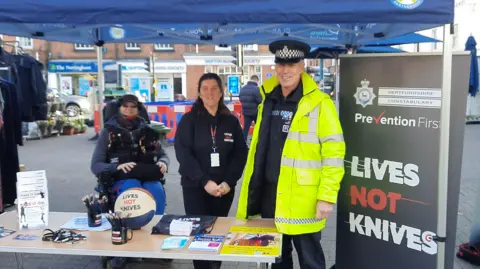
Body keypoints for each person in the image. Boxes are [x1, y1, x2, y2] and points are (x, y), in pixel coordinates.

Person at [236, 39, 346, 269]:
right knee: (277, 259)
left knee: (310, 260)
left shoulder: (320, 103)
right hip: (270, 196)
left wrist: (326, 196)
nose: (286, 70)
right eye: (281, 64)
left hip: (302, 200)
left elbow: (334, 153)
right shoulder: (266, 98)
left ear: (302, 66)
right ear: (275, 67)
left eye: (292, 64)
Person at [174, 73, 248, 269]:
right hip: (195, 186)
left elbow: (240, 154)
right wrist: (205, 181)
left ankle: (215, 266)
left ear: (221, 91)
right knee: (199, 233)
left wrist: (228, 182)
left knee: (218, 233)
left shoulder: (230, 121)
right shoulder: (189, 120)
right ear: (198, 92)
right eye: (205, 88)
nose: (210, 92)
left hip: (223, 189)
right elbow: (183, 155)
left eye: (214, 88)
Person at [90, 94, 169, 269]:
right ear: (119, 108)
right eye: (125, 106)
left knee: (155, 190)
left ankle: (154, 242)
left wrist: (164, 162)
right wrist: (117, 167)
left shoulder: (148, 131)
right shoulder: (108, 132)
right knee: (132, 190)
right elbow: (96, 165)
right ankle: (127, 247)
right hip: (120, 178)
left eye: (133, 106)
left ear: (138, 109)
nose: (129, 109)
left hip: (147, 176)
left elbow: (163, 154)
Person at [239, 75, 262, 139]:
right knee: (258, 127)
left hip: (246, 112)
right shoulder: (257, 89)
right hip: (255, 112)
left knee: (246, 129)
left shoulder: (242, 88)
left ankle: (243, 143)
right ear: (256, 80)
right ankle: (257, 140)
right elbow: (260, 100)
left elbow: (240, 99)